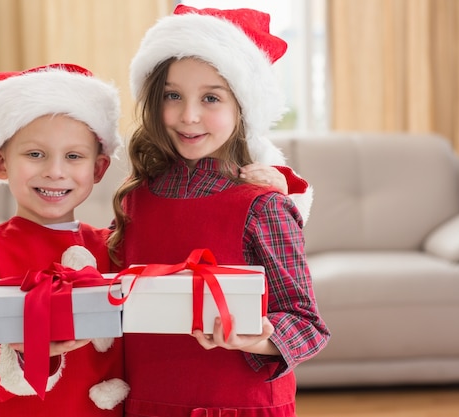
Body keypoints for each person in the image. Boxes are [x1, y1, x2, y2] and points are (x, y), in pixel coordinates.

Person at [108, 5, 330, 417]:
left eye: (211, 97)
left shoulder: (264, 205)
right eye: (173, 95)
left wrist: (256, 338)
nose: (188, 116)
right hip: (147, 403)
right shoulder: (133, 200)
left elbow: (307, 326)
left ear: (242, 109)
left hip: (239, 405)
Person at [0, 63, 130, 417]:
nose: (55, 171)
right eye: (35, 154)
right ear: (1, 164)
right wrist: (24, 355)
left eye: (74, 156)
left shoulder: (114, 249)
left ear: (98, 169)